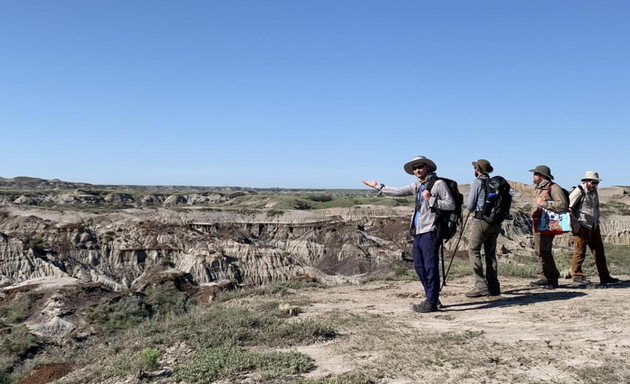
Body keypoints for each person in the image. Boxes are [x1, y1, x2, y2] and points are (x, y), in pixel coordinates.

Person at [362, 155, 455, 313]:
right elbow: (399, 191)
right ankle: (432, 297)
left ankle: (431, 302)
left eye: (420, 167)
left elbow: (450, 204)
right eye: (415, 168)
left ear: (428, 167)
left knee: (431, 267)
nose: (417, 170)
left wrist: (430, 199)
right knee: (419, 266)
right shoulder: (417, 185)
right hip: (418, 231)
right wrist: (379, 187)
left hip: (431, 230)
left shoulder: (438, 184)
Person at [508, 165, 568, 289]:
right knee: (539, 251)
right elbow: (521, 187)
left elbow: (563, 205)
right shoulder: (536, 188)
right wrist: (505, 181)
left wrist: (544, 204)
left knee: (545, 251)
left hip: (548, 225)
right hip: (537, 224)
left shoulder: (554, 188)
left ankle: (552, 277)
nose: (533, 176)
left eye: (535, 174)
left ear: (541, 176)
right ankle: (545, 276)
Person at [569, 171, 619, 286]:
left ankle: (605, 276)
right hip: (581, 226)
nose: (595, 185)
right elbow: (569, 208)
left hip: (594, 226)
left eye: (596, 183)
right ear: (585, 181)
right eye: (593, 182)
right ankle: (577, 276)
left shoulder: (594, 192)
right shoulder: (578, 191)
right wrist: (575, 223)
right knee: (579, 252)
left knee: (599, 252)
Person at [465, 159, 501, 297]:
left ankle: (480, 285)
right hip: (496, 222)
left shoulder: (477, 182)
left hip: (481, 221)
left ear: (477, 169)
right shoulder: (494, 183)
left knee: (473, 250)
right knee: (490, 254)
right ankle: (494, 287)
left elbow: (470, 206)